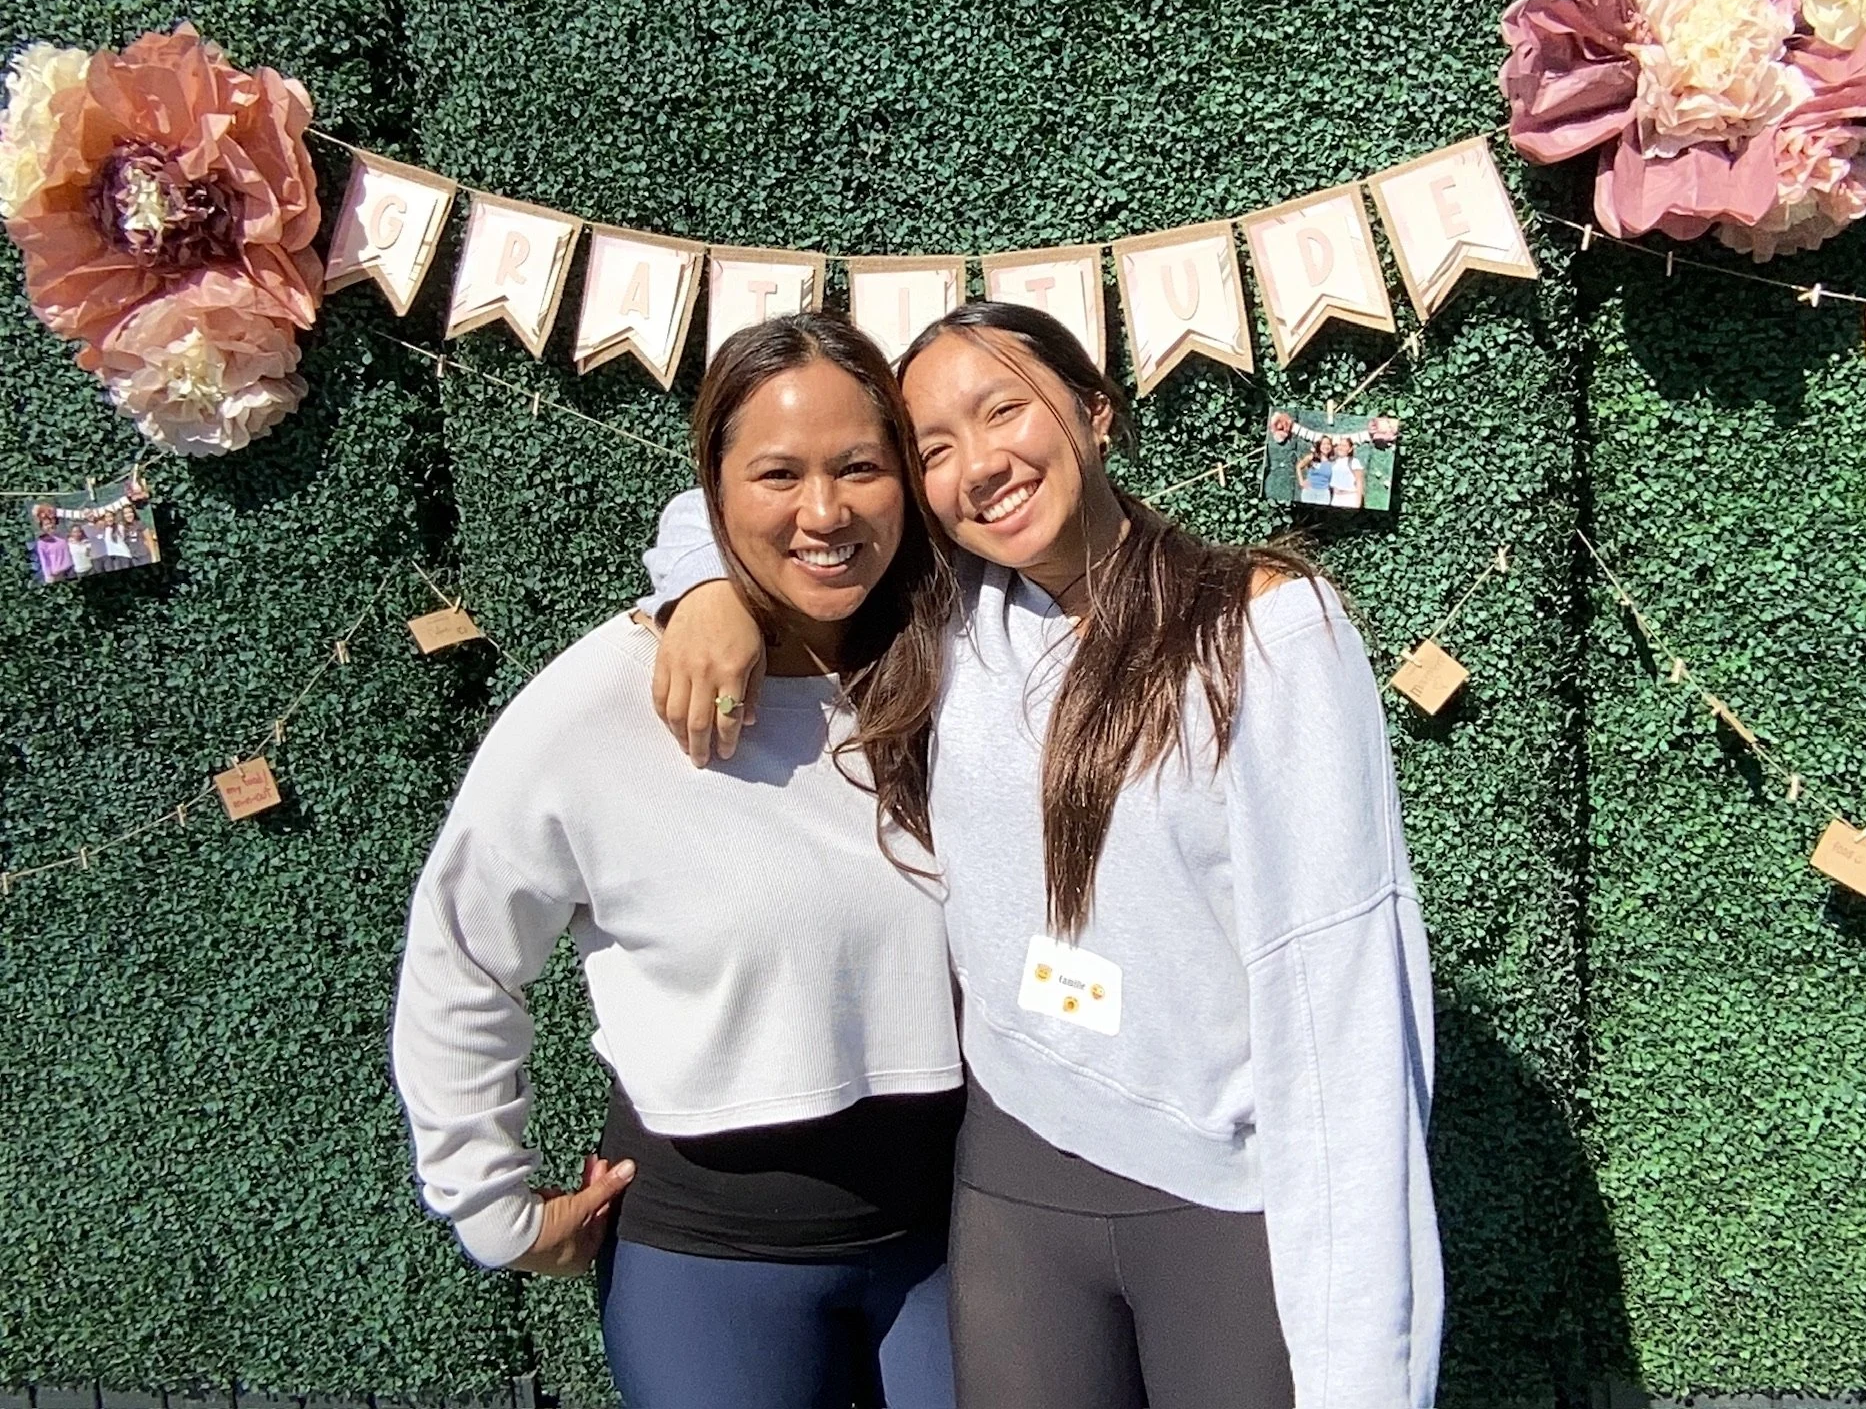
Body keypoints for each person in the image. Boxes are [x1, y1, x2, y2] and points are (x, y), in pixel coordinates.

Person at [644, 300, 1441, 1409]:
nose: (979, 464)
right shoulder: (947, 614)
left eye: (1002, 409)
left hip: (1221, 1195)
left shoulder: (1261, 630)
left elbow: (1340, 995)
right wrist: (706, 593)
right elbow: (754, 496)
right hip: (1016, 1183)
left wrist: (1369, 1373)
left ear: (1094, 410)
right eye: (931, 447)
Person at [391, 313, 964, 1409]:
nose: (825, 512)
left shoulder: (956, 667)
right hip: (712, 1270)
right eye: (776, 474)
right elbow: (463, 953)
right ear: (711, 487)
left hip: (953, 1244)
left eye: (860, 467)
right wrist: (490, 1205)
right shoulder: (602, 706)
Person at [30, 506, 72, 584]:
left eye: (51, 523)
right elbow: (44, 560)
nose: (50, 526)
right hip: (58, 574)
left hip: (71, 569)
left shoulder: (62, 536)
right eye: (46, 524)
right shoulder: (42, 542)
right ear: (42, 527)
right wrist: (48, 576)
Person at [1296, 433, 1336, 505]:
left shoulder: (1333, 462)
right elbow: (1299, 466)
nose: (1326, 446)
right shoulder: (1312, 457)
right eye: (1323, 444)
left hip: (1324, 493)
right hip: (1309, 492)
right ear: (1319, 446)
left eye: (1328, 444)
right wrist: (1301, 481)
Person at [1329, 434, 1365, 509]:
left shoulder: (1354, 462)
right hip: (1336, 498)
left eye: (1344, 446)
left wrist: (1358, 503)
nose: (1341, 448)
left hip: (1349, 498)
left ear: (1350, 449)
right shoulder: (1334, 462)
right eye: (1340, 445)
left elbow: (1359, 482)